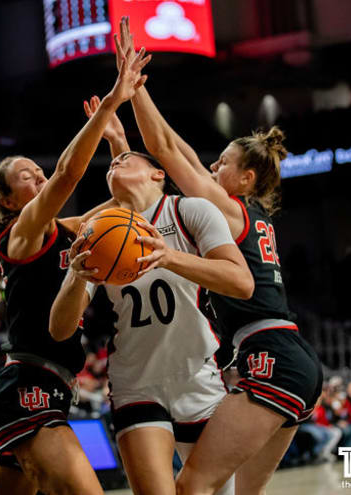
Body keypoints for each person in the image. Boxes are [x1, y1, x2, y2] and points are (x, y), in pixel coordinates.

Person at [114, 17, 324, 494]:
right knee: (241, 492)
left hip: (269, 353)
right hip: (293, 357)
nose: (211, 167)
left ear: (246, 179)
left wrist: (135, 86)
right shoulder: (249, 218)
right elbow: (180, 152)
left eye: (222, 163)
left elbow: (166, 150)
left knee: (193, 486)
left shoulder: (229, 212)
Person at [0, 45, 151, 495]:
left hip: (52, 385)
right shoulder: (20, 233)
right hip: (28, 387)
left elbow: (129, 203)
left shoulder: (63, 228)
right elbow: (68, 175)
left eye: (37, 170)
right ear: (6, 200)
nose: (37, 177)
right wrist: (113, 100)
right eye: (25, 176)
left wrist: (118, 142)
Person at [50, 87, 254, 495]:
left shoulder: (189, 211)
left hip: (198, 375)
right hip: (136, 380)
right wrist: (75, 275)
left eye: (126, 159)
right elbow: (58, 329)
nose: (115, 165)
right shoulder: (99, 234)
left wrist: (169, 257)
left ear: (158, 173)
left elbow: (241, 282)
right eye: (112, 164)